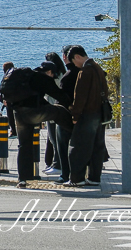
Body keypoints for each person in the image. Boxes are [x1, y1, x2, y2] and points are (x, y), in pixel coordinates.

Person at [0, 61, 72, 188]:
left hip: (18, 113)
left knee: (24, 144)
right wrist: (71, 105)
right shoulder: (43, 79)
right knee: (59, 111)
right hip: (34, 112)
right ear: (49, 72)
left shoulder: (25, 77)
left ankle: (23, 179)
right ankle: (74, 130)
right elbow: (59, 95)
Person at [66, 45, 109, 187]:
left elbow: (80, 96)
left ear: (77, 57)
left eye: (74, 61)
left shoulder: (85, 71)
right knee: (97, 147)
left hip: (87, 114)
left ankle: (77, 179)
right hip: (100, 113)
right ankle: (94, 178)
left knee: (78, 146)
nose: (75, 65)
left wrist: (75, 115)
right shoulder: (97, 68)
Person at [54, 45, 80, 184]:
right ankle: (79, 173)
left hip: (66, 115)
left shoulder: (67, 76)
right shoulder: (83, 72)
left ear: (65, 57)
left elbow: (63, 98)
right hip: (82, 115)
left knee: (63, 146)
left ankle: (65, 174)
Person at [42, 51, 65, 174]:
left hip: (52, 108)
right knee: (54, 138)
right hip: (57, 109)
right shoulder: (62, 74)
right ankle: (55, 163)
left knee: (54, 138)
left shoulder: (56, 76)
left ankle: (58, 164)